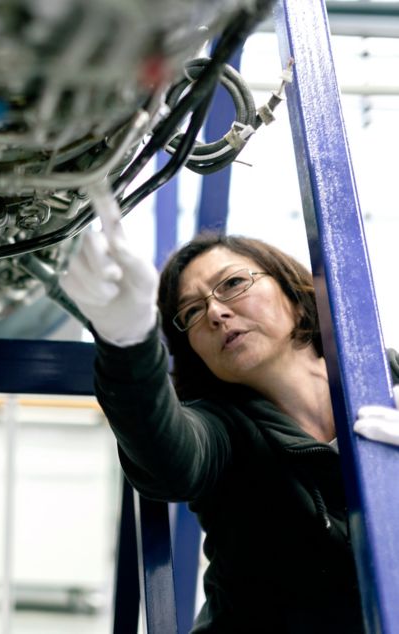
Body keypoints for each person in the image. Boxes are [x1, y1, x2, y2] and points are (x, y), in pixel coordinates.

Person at [63, 189, 399, 632]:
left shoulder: (386, 373)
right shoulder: (222, 431)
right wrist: (128, 339)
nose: (217, 313)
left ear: (295, 294)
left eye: (233, 284)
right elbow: (167, 455)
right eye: (192, 312)